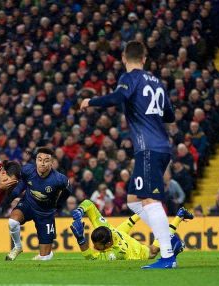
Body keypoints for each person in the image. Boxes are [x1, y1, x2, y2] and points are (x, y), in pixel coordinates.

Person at [79, 41, 177, 269]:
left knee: (150, 199)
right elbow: (169, 115)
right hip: (161, 146)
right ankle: (166, 239)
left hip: (148, 148)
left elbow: (116, 99)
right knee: (133, 200)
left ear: (124, 58)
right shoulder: (157, 82)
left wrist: (90, 101)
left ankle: (167, 253)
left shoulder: (130, 78)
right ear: (144, 58)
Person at [6, 147, 72, 261]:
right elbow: (23, 182)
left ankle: (44, 254)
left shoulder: (59, 179)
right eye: (39, 160)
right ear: (36, 161)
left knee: (45, 257)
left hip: (46, 213)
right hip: (28, 204)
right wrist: (14, 194)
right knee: (12, 222)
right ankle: (17, 247)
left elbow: (68, 191)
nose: (42, 163)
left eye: (46, 160)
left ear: (52, 163)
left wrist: (58, 206)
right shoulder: (27, 170)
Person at [70, 200, 192, 261]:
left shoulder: (116, 254)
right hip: (120, 235)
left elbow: (91, 258)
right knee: (120, 229)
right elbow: (88, 203)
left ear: (108, 244)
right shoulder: (104, 228)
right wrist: (79, 211)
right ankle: (142, 211)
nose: (95, 248)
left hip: (136, 251)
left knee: (153, 252)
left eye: (98, 247)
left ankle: (179, 216)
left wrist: (81, 240)